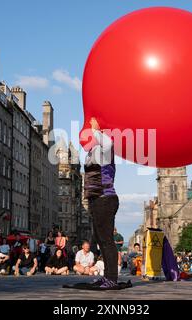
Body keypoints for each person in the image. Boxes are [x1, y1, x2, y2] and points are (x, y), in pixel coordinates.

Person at [82, 117, 120, 289]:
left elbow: (109, 144)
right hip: (96, 200)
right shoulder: (93, 151)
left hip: (105, 199)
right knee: (100, 240)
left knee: (107, 240)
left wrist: (97, 129)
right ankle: (106, 277)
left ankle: (112, 278)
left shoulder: (105, 151)